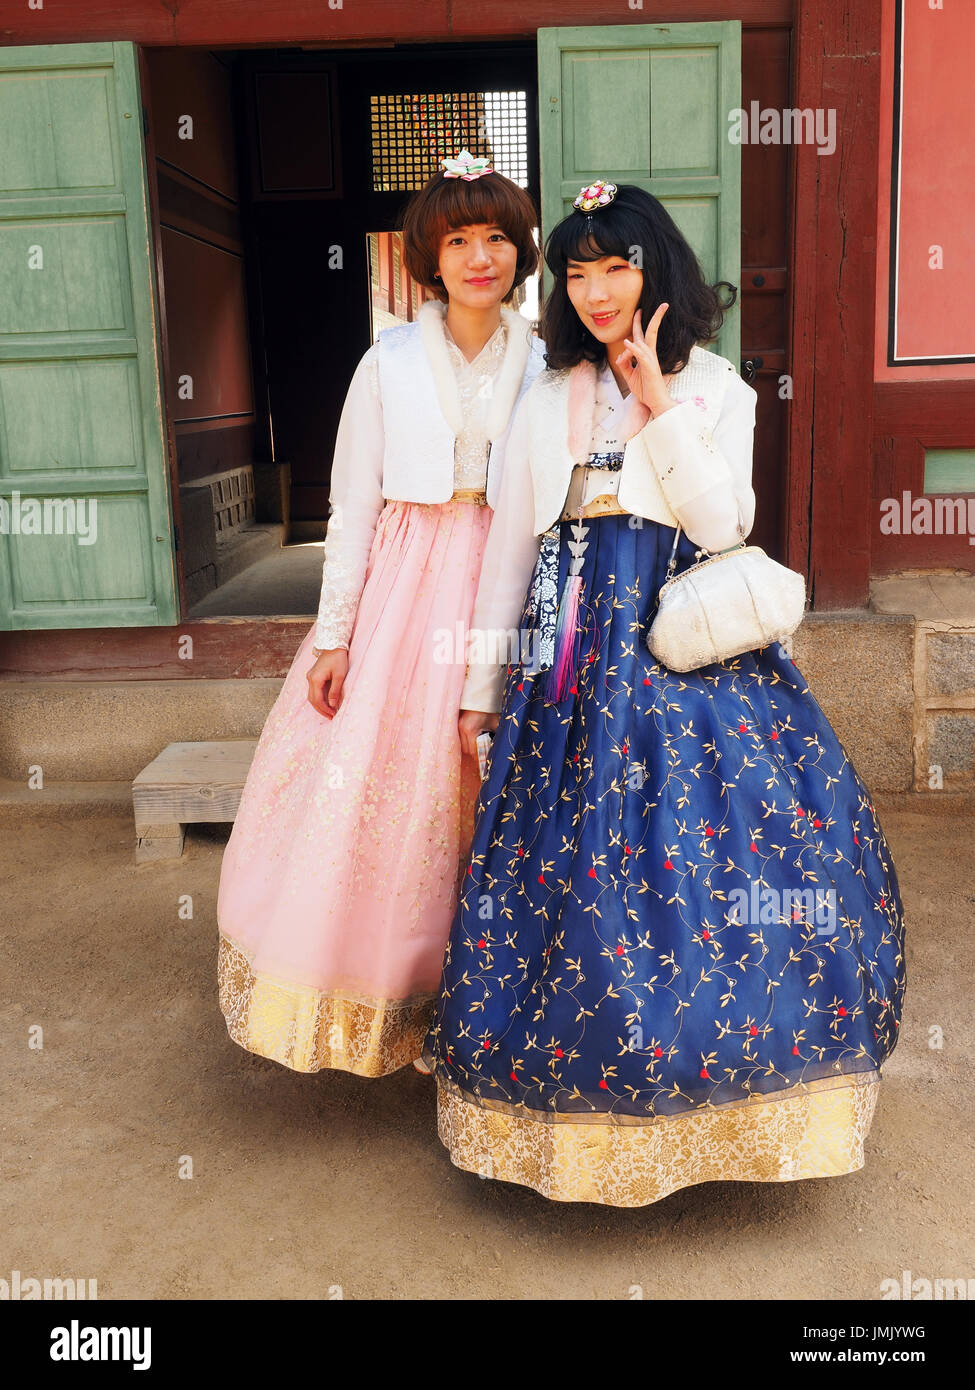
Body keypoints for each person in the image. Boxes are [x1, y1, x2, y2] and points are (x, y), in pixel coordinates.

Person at [420, 181, 907, 1206]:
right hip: (565, 644)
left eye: (618, 267)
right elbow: (513, 550)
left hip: (680, 638)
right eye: (580, 272)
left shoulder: (717, 385)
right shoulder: (545, 394)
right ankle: (576, 1103)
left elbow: (728, 521)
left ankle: (723, 1088)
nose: (598, 293)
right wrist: (481, 690)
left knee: (710, 847)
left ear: (657, 270)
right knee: (566, 859)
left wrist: (654, 400)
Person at [217, 151, 546, 1078]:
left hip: (515, 578)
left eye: (496, 238)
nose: (479, 256)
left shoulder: (552, 362)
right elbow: (352, 505)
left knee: (503, 783)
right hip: (408, 588)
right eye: (457, 240)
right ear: (425, 259)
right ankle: (383, 998)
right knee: (395, 786)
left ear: (520, 253)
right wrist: (333, 637)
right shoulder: (388, 359)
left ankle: (490, 1005)